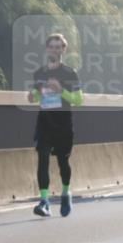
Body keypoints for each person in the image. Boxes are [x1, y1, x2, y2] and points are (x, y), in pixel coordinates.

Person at [29, 33, 83, 217]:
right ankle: (44, 201)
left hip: (63, 126)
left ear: (63, 50)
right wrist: (32, 96)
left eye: (58, 47)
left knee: (63, 163)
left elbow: (79, 100)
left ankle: (66, 192)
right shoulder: (39, 73)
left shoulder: (70, 73)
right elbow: (36, 94)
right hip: (44, 124)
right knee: (42, 160)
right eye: (51, 46)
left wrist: (61, 91)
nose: (54, 49)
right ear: (47, 49)